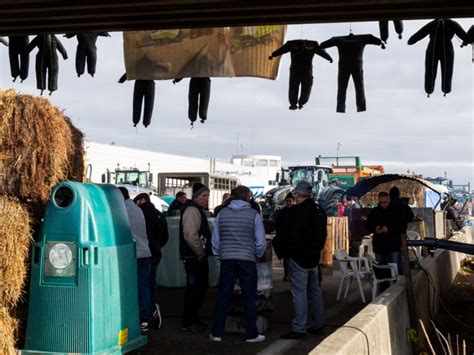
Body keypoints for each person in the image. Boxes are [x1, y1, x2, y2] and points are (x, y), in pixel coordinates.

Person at [209, 186, 267, 343]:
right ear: (247, 198)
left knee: (223, 296)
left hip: (227, 259)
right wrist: (257, 254)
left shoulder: (222, 214)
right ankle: (251, 334)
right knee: (249, 296)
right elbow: (260, 242)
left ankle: (217, 333)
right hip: (247, 259)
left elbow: (216, 239)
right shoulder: (253, 215)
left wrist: (219, 254)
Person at [276, 182, 327, 340]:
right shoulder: (319, 211)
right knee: (315, 291)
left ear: (298, 194)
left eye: (295, 195)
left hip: (299, 257)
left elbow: (289, 234)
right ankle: (318, 324)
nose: (294, 198)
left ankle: (299, 328)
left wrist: (287, 251)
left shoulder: (297, 212)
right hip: (313, 257)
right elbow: (323, 234)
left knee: (299, 293)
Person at [119, 187, 152, 333]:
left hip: (133, 254)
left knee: (131, 287)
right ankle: (145, 319)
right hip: (144, 252)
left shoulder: (122, 210)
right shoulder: (136, 208)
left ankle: (136, 318)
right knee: (143, 287)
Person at [179, 183, 212, 332]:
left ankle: (192, 318)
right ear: (196, 196)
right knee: (195, 289)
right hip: (194, 257)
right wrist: (200, 253)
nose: (206, 199)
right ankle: (188, 321)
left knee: (198, 289)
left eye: (207, 196)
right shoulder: (192, 209)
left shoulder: (194, 208)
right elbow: (190, 235)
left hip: (194, 256)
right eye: (203, 196)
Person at [134, 193, 169, 329]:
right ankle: (153, 307)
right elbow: (165, 236)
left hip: (142, 252)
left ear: (142, 200)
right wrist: (158, 246)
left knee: (142, 283)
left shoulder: (140, 213)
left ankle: (148, 311)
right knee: (150, 282)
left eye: (136, 201)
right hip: (155, 251)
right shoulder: (158, 214)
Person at [366, 191, 403, 275]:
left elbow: (401, 226)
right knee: (382, 271)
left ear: (389, 200)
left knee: (395, 270)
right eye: (381, 202)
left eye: (385, 202)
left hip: (394, 246)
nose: (383, 204)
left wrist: (389, 229)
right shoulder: (374, 212)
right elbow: (367, 226)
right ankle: (384, 287)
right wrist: (375, 229)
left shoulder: (396, 211)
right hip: (379, 246)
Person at [274, 192, 295, 281]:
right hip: (285, 239)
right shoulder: (282, 212)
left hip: (294, 239)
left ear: (293, 201)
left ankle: (292, 274)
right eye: (287, 201)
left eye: (290, 201)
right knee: (286, 259)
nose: (289, 203)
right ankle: (287, 273)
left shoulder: (296, 211)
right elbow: (277, 225)